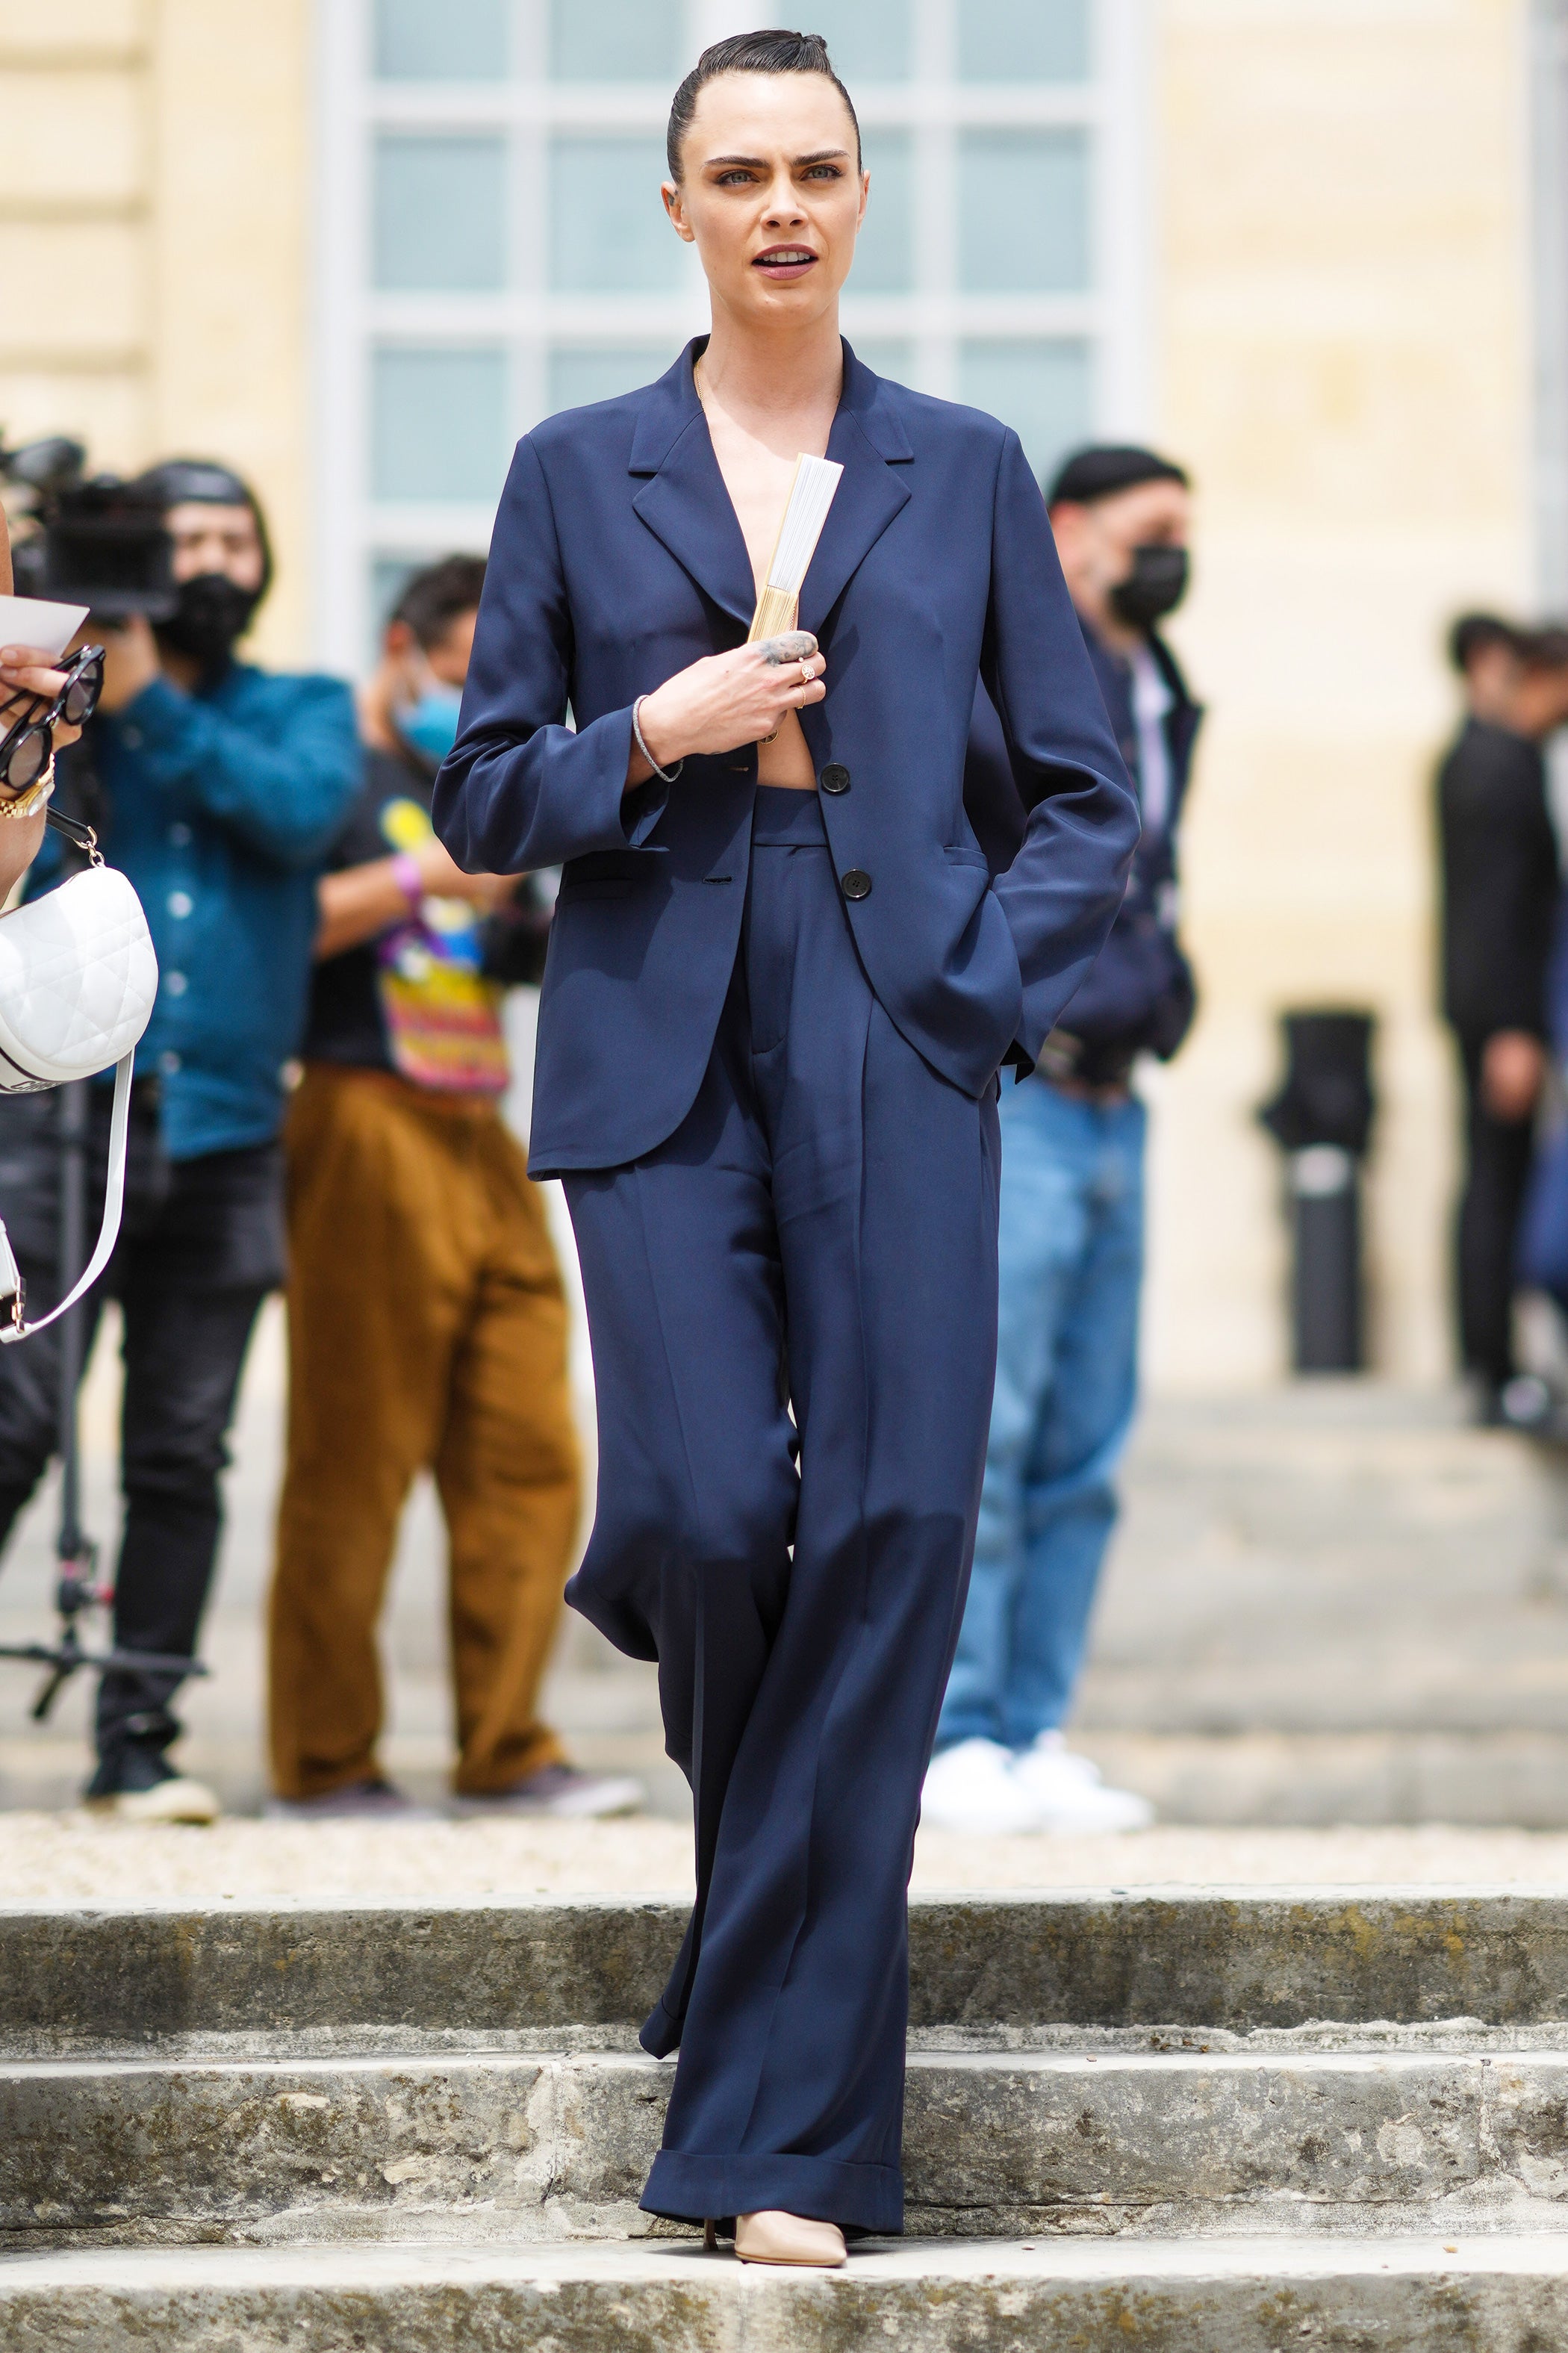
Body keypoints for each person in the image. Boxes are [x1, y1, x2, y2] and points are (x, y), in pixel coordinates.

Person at [434, 30, 1136, 2269]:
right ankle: (768, 1956)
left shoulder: (968, 458)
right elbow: (473, 800)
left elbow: (1087, 800)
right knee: (710, 1512)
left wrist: (969, 971)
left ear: (859, 195)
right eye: (735, 170)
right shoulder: (577, 465)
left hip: (896, 1023)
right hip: (656, 1031)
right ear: (675, 208)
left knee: (907, 1515)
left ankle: (787, 2146)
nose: (779, 205)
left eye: (815, 167)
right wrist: (655, 728)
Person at [0, 459, 360, 1821]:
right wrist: (66, 681)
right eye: (176, 541)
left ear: (263, 561)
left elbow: (297, 815)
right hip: (57, 1123)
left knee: (182, 1442)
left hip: (228, 1127)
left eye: (230, 538)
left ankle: (137, 1738)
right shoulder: (64, 697)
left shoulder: (303, 708)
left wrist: (149, 701)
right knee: (15, 1414)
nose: (204, 564)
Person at [267, 556, 638, 1821]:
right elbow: (274, 924)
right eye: (467, 666)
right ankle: (326, 1760)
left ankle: (507, 1747)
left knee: (532, 1448)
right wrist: (425, 873)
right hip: (358, 1110)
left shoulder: (474, 780)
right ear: (401, 648)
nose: (481, 695)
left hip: (483, 1117)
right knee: (354, 1451)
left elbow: (509, 947)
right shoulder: (332, 772)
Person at [923, 444, 1201, 1838]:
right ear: (1073, 531)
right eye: (1151, 533)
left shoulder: (1164, 689)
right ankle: (959, 1720)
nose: (1171, 560)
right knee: (994, 1416)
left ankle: (1035, 1723)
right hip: (1027, 1087)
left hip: (1120, 1103)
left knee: (1086, 1442)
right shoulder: (1021, 675)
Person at [1437, 618, 1568, 1425]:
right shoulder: (1496, 764)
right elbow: (1497, 918)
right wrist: (1514, 1031)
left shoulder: (1489, 755)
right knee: (1497, 1186)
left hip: (1494, 1013)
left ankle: (1494, 1365)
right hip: (1500, 1018)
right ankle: (1492, 1371)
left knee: (1496, 1182)